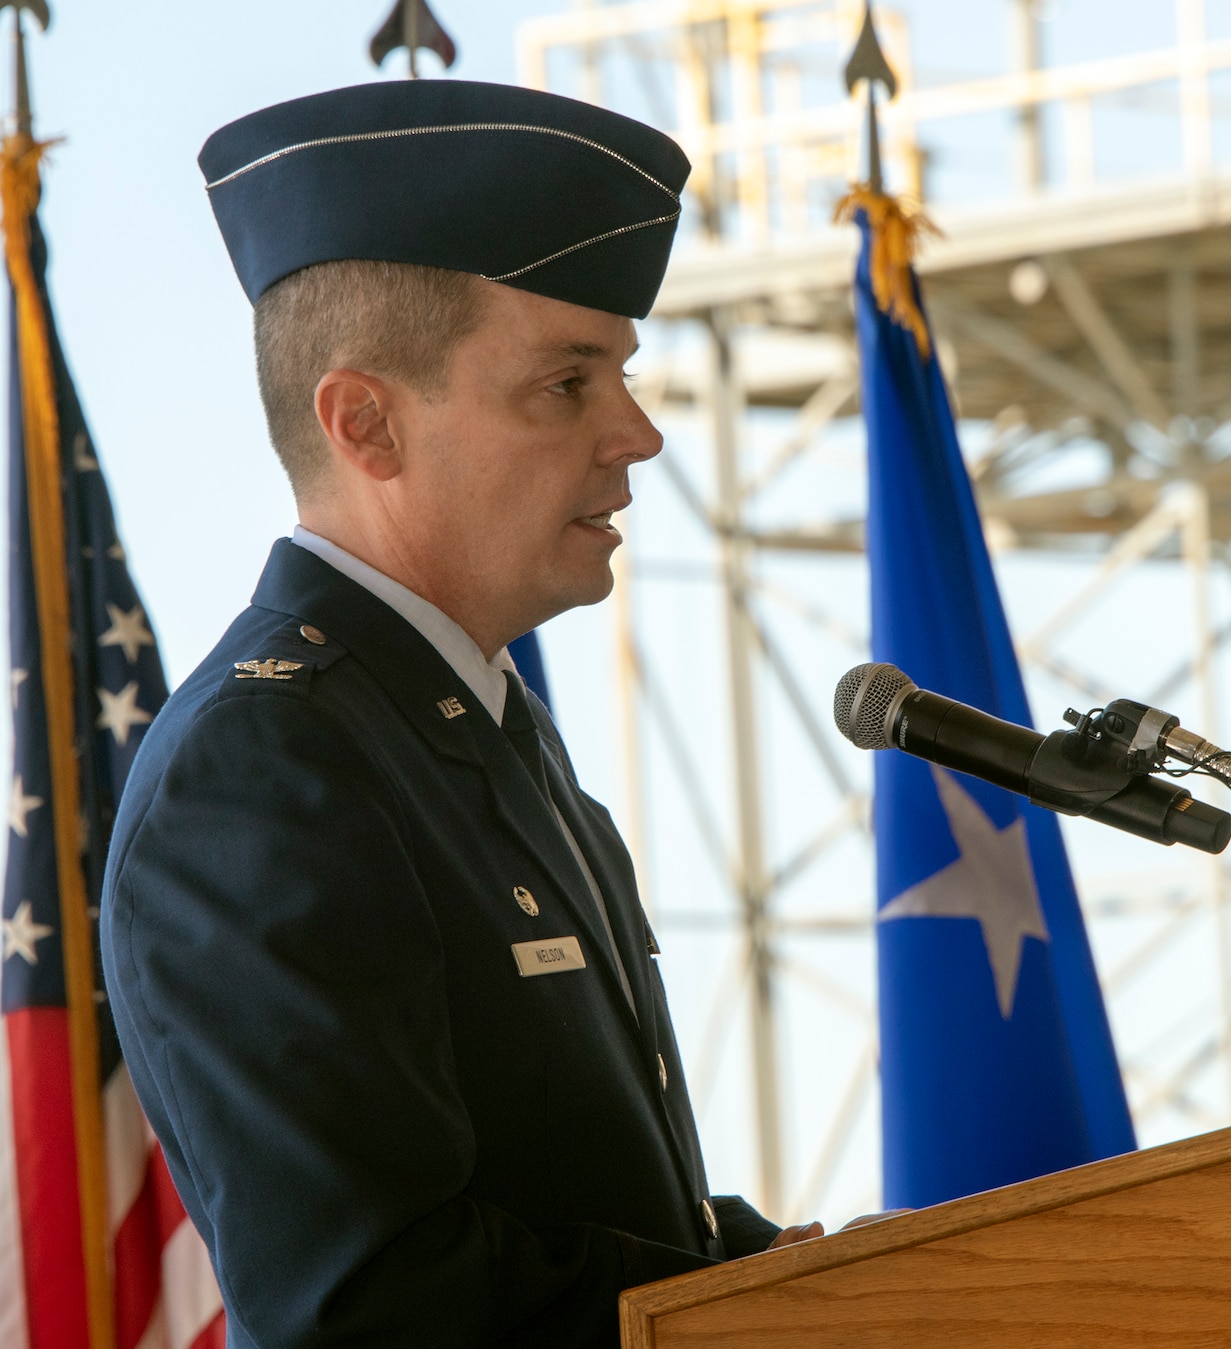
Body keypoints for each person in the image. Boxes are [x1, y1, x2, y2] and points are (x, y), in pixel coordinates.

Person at [101, 80, 843, 1348]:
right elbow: (373, 1298)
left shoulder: (471, 725)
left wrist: (768, 1266)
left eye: (620, 375)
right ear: (366, 423)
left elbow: (562, 1192)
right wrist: (746, 1317)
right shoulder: (265, 765)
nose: (638, 434)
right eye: (567, 382)